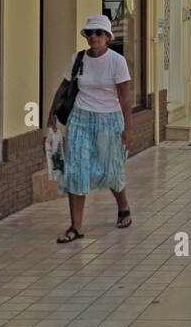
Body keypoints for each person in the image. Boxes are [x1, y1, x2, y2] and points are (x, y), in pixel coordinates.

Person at [50, 14, 135, 243]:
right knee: (76, 171)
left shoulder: (117, 61)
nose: (94, 37)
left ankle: (123, 206)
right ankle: (76, 227)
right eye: (90, 33)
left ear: (107, 37)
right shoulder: (78, 59)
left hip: (109, 119)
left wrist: (128, 128)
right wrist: (51, 114)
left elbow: (125, 98)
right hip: (80, 119)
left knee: (111, 170)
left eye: (99, 33)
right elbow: (64, 86)